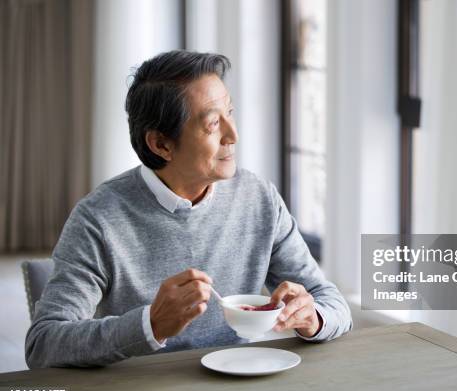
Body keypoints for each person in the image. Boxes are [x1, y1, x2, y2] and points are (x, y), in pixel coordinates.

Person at [25, 50, 352, 368]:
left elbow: (331, 302)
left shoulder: (259, 198)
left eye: (231, 113)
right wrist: (149, 325)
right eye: (213, 124)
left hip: (242, 386)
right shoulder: (98, 218)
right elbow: (44, 344)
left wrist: (313, 316)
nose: (233, 135)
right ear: (161, 144)